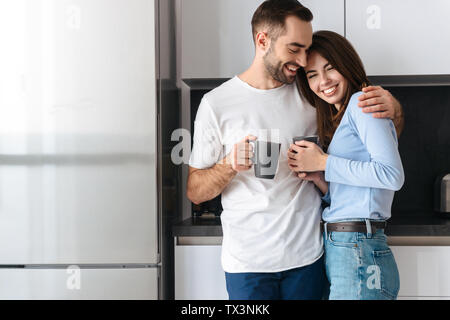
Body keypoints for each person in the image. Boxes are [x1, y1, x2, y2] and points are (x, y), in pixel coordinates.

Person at [187, 0, 403, 300]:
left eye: (307, 49)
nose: (303, 62)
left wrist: (393, 109)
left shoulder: (311, 93)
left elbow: (369, 143)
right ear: (263, 40)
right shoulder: (216, 104)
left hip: (309, 258)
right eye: (294, 48)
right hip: (247, 263)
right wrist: (228, 166)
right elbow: (196, 191)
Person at [289, 30, 404, 300]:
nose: (323, 81)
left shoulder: (361, 103)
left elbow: (391, 175)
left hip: (357, 245)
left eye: (330, 68)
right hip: (347, 245)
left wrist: (323, 161)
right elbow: (355, 195)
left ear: (347, 64)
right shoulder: (344, 114)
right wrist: (320, 178)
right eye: (312, 74)